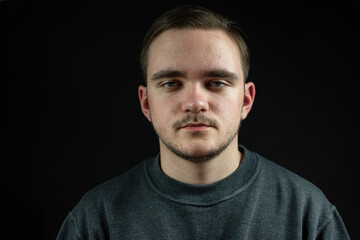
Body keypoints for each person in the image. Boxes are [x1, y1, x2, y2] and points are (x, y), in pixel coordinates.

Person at [57, 5, 350, 239]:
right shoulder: (96, 220)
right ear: (146, 103)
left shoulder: (307, 216)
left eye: (217, 82)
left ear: (246, 100)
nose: (195, 102)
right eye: (172, 83)